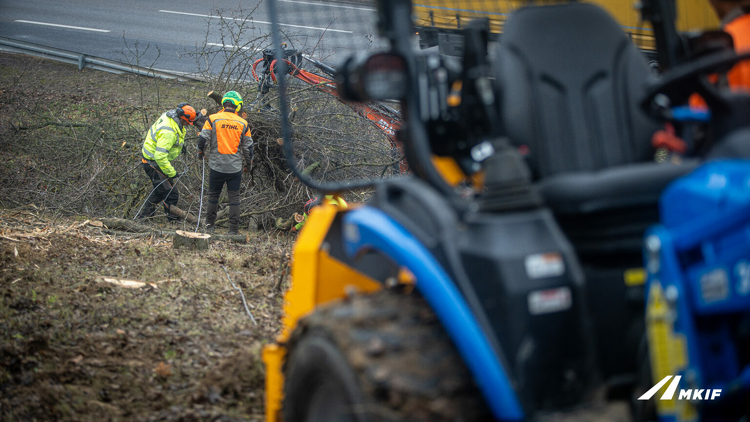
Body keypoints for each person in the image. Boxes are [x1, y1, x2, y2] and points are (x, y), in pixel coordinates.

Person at [197, 91, 254, 235]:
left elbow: (202, 140)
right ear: (238, 106)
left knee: (213, 196)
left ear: (224, 103)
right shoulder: (243, 123)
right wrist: (249, 164)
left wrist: (200, 153)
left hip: (216, 166)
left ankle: (209, 227)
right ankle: (233, 231)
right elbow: (248, 148)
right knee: (234, 199)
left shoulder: (212, 119)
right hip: (234, 168)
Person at [138, 103, 198, 221]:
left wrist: (180, 146)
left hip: (153, 160)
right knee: (170, 192)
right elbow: (160, 156)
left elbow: (175, 136)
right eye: (187, 122)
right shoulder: (169, 131)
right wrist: (172, 173)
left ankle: (143, 218)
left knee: (159, 191)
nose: (187, 125)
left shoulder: (170, 117)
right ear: (181, 118)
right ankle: (173, 220)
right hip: (153, 162)